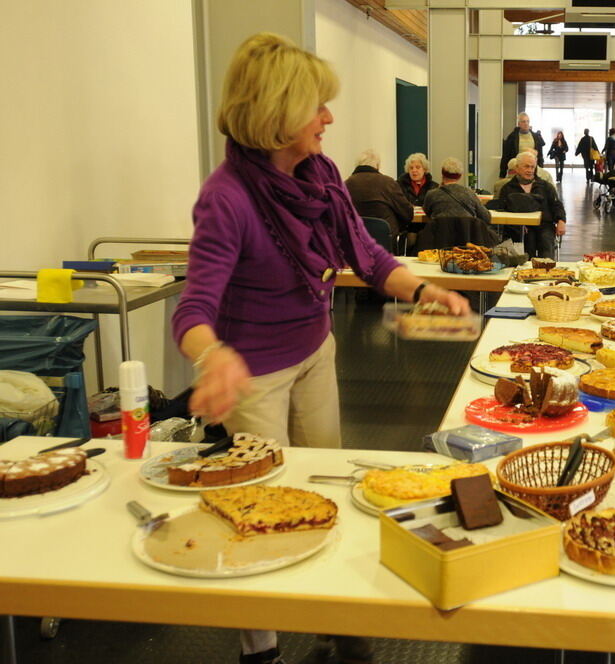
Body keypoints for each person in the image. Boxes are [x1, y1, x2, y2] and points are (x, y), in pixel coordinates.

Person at [171, 33, 470, 664]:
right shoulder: (225, 197)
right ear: (278, 113)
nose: (329, 118)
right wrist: (213, 356)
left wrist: (424, 289)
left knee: (327, 486)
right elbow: (194, 309)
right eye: (318, 107)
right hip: (255, 378)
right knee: (258, 512)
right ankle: (263, 647)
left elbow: (366, 254)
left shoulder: (322, 176)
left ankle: (337, 622)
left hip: (316, 351)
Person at [497, 152, 566, 259]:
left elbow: (556, 204)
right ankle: (525, 272)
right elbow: (501, 210)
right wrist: (516, 225)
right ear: (517, 168)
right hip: (516, 227)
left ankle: (547, 270)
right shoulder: (507, 188)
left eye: (532, 167)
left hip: (544, 225)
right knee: (527, 241)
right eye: (526, 166)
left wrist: (561, 220)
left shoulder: (545, 186)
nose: (530, 170)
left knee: (546, 241)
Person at [345, 149, 413, 237]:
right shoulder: (388, 183)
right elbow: (407, 213)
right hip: (384, 240)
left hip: (355, 239)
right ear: (377, 165)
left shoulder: (346, 184)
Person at [422, 157, 492, 226]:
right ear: (460, 176)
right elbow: (486, 217)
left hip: (439, 235)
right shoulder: (470, 194)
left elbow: (427, 212)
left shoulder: (432, 194)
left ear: (442, 174)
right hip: (466, 236)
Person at [500, 112, 545, 178]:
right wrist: (502, 174)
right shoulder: (512, 137)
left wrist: (541, 170)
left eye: (527, 121)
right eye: (523, 121)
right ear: (519, 124)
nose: (526, 124)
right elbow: (505, 156)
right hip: (517, 170)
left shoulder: (536, 137)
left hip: (532, 170)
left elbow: (540, 156)